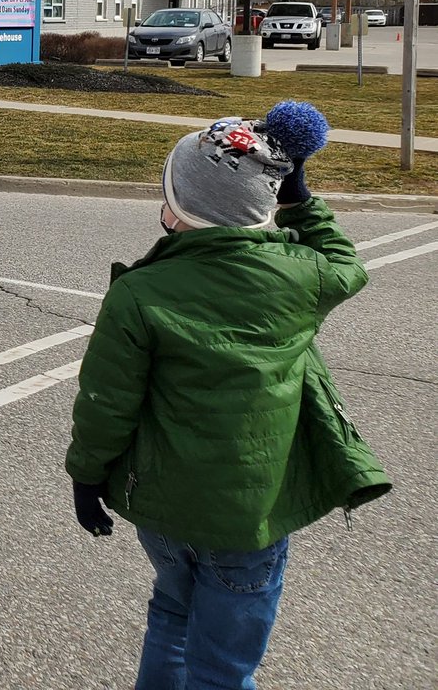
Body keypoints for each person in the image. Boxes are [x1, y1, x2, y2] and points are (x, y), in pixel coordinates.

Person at [65, 102, 388, 690]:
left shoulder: (140, 291)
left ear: (181, 211)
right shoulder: (302, 275)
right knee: (225, 662)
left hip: (162, 507)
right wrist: (298, 199)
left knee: (171, 613)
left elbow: (105, 403)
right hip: (250, 517)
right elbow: (347, 263)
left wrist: (87, 477)